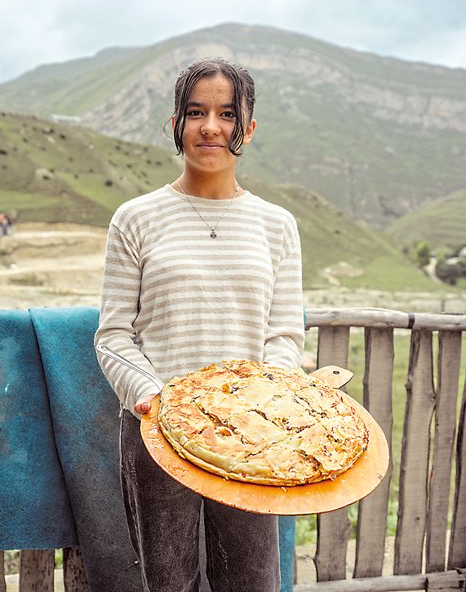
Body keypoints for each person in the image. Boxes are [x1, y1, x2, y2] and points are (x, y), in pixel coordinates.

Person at [95, 57, 305, 592]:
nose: (211, 126)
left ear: (249, 129)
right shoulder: (136, 218)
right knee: (169, 582)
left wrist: (261, 400)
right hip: (157, 430)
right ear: (175, 125)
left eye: (227, 114)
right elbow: (114, 335)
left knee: (253, 581)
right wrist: (154, 398)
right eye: (195, 112)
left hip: (251, 434)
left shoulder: (277, 225)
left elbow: (283, 334)